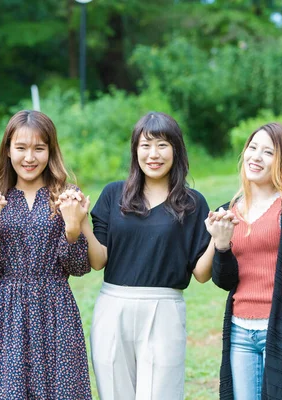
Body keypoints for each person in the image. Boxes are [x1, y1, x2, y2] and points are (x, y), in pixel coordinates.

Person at [62, 111, 214, 399]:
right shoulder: (113, 194)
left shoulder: (192, 203)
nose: (153, 154)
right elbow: (98, 260)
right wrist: (81, 221)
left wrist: (218, 243)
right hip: (113, 306)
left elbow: (202, 274)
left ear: (176, 150)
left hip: (165, 308)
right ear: (135, 151)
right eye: (145, 145)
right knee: (114, 392)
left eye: (162, 145)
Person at [0, 110, 92, 399]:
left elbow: (78, 266)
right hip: (6, 311)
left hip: (55, 307)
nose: (29, 157)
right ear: (8, 149)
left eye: (39, 148)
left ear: (50, 151)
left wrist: (73, 227)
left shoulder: (66, 195)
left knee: (60, 390)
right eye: (21, 148)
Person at [206, 122, 282, 400]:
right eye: (252, 148)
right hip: (240, 330)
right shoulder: (227, 212)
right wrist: (222, 245)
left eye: (268, 152)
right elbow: (224, 281)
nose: (256, 157)